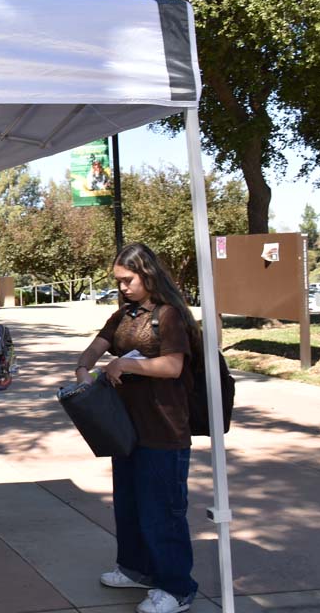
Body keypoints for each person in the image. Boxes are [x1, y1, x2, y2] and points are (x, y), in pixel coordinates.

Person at [74, 243, 199, 613]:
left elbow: (173, 366)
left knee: (162, 511)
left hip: (163, 429)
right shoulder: (124, 315)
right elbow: (96, 347)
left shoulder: (169, 315)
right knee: (128, 506)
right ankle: (135, 568)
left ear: (147, 274)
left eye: (128, 280)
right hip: (125, 429)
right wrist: (84, 368)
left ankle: (177, 587)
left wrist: (127, 366)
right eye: (118, 281)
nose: (123, 287)